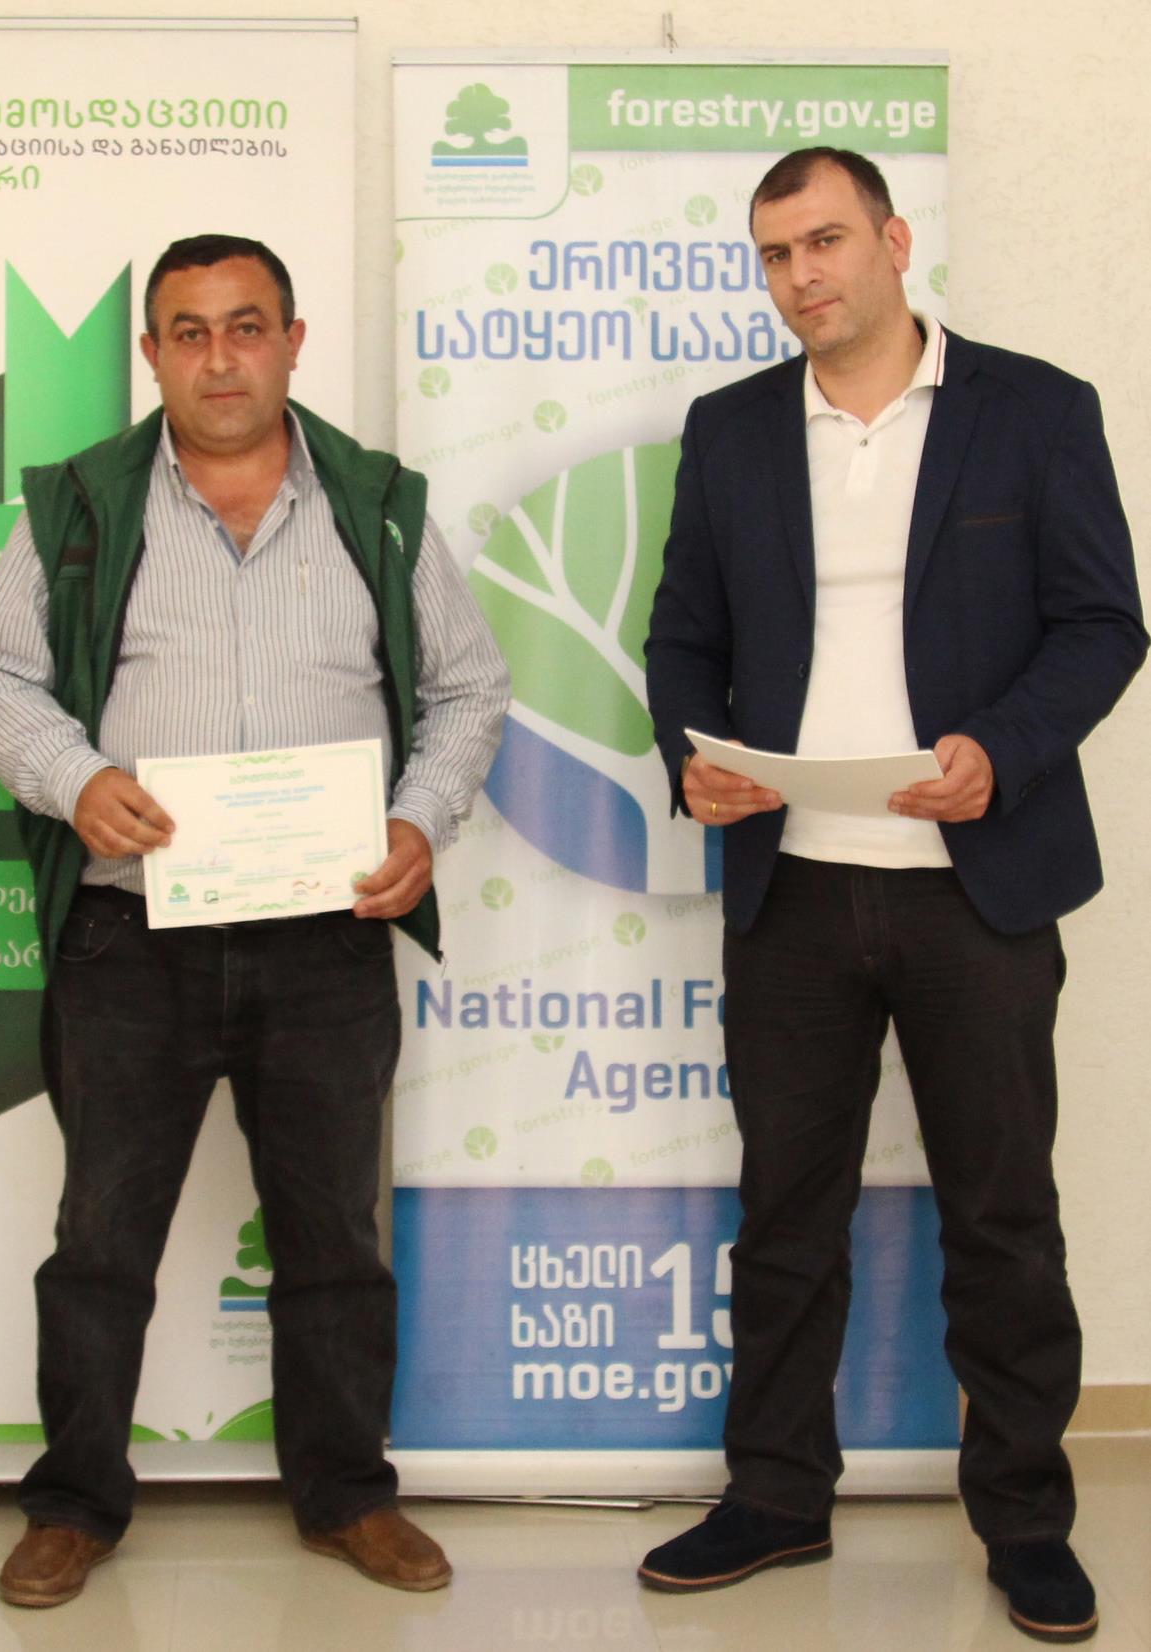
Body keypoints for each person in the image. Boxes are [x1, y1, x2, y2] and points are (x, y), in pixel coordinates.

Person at [0, 234, 508, 1607]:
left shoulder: (375, 505)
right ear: (151, 355)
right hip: (129, 940)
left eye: (245, 326)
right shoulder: (80, 508)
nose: (219, 358)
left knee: (332, 1239)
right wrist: (75, 780)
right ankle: (75, 1503)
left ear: (292, 342)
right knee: (100, 1243)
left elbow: (468, 687)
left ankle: (347, 1493)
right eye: (188, 332)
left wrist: (417, 822)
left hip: (326, 938)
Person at [641, 149, 1144, 1643]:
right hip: (792, 889)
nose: (801, 275)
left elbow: (1102, 624)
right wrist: (691, 757)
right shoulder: (731, 429)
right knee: (785, 1212)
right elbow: (682, 638)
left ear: (893, 239)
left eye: (825, 241)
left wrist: (1004, 748)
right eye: (774, 254)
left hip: (976, 889)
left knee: (1001, 1215)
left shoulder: (1035, 410)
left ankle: (1026, 1520)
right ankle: (776, 1495)